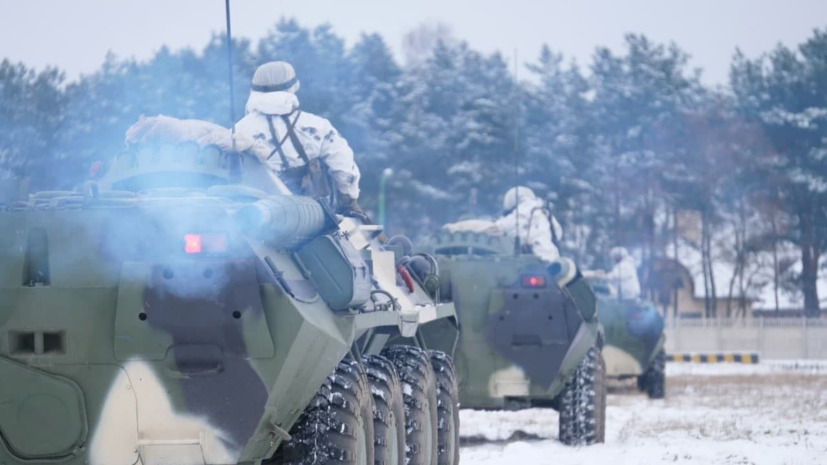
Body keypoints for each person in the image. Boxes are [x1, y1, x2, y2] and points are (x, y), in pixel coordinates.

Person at [235, 61, 362, 213]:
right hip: (314, 219)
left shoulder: (239, 131)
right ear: (292, 87)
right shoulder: (318, 126)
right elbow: (344, 167)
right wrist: (348, 201)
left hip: (256, 218)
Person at [494, 186, 562, 263]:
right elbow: (558, 234)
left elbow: (498, 228)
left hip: (533, 261)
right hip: (553, 260)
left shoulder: (520, 213)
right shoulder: (544, 212)